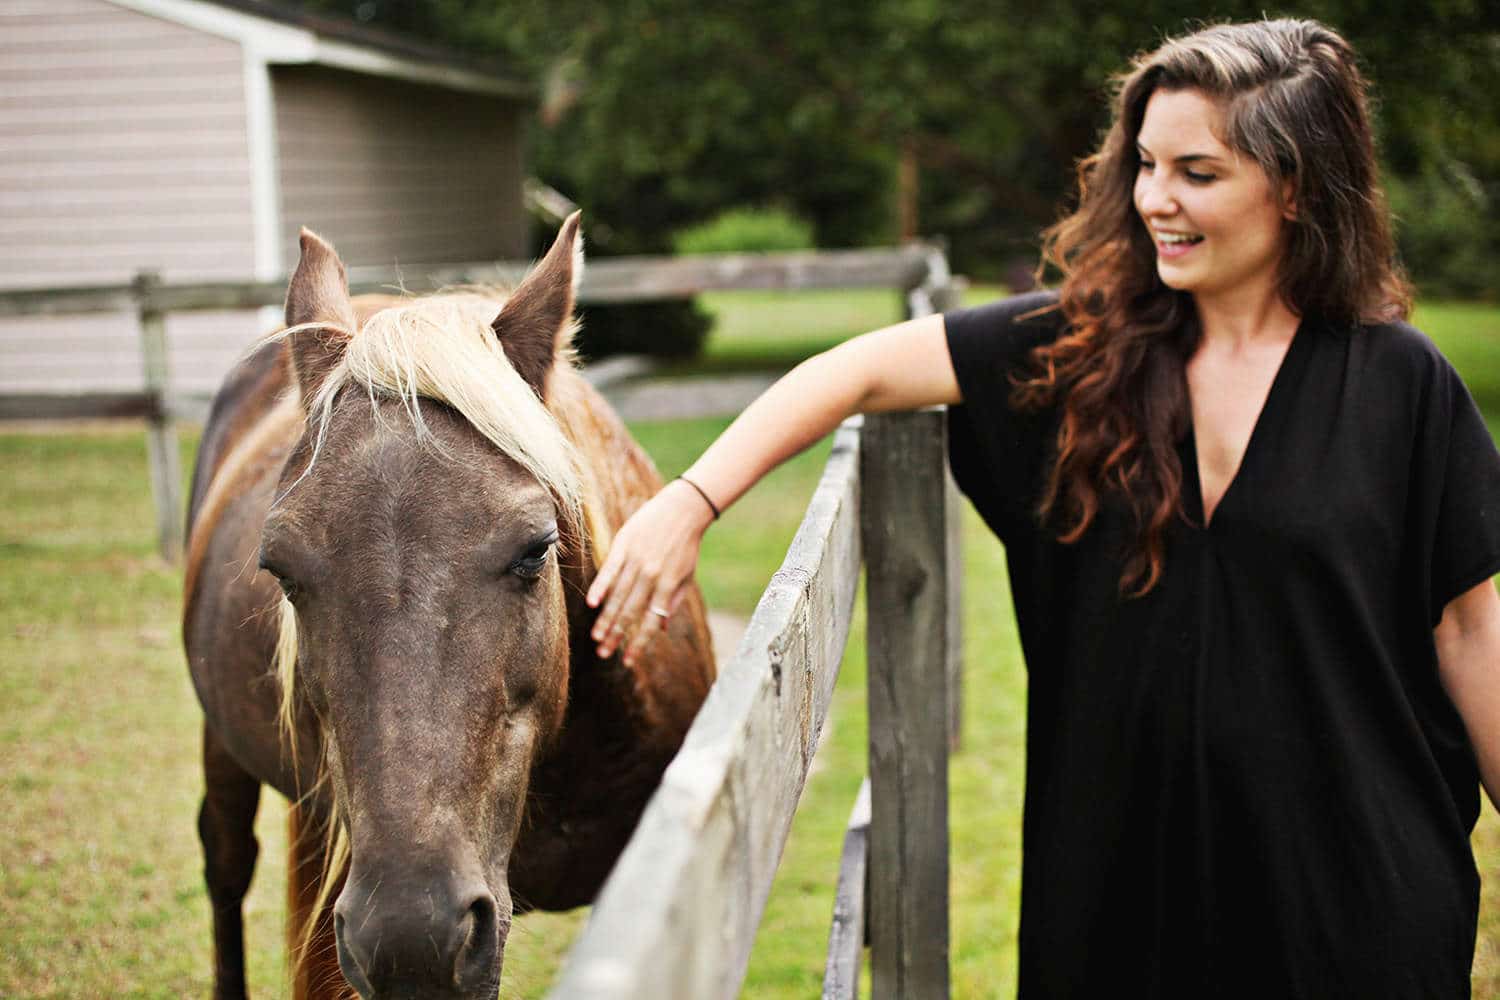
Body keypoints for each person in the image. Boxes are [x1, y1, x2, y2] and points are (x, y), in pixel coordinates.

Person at [587, 18, 1500, 997]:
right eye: (1145, 164)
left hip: (1357, 911)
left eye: (1197, 173)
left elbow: (1470, 627)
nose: (1155, 198)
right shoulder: (1073, 358)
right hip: (1121, 914)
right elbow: (851, 371)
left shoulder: (1402, 384)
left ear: (1297, 186)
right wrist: (690, 501)